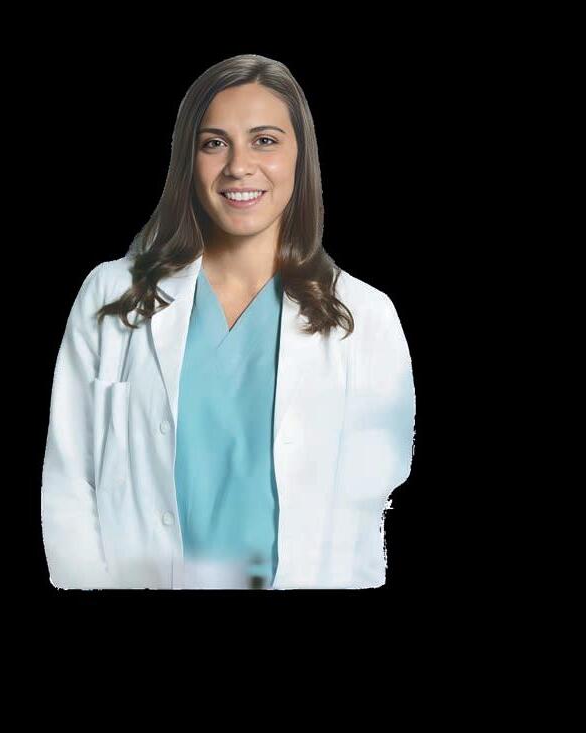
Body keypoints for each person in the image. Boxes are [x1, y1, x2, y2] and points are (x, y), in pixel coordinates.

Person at [41, 54, 415, 590]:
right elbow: (69, 480)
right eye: (214, 143)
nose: (239, 166)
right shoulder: (113, 294)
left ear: (300, 155)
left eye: (265, 140)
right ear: (187, 160)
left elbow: (374, 502)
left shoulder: (364, 317)